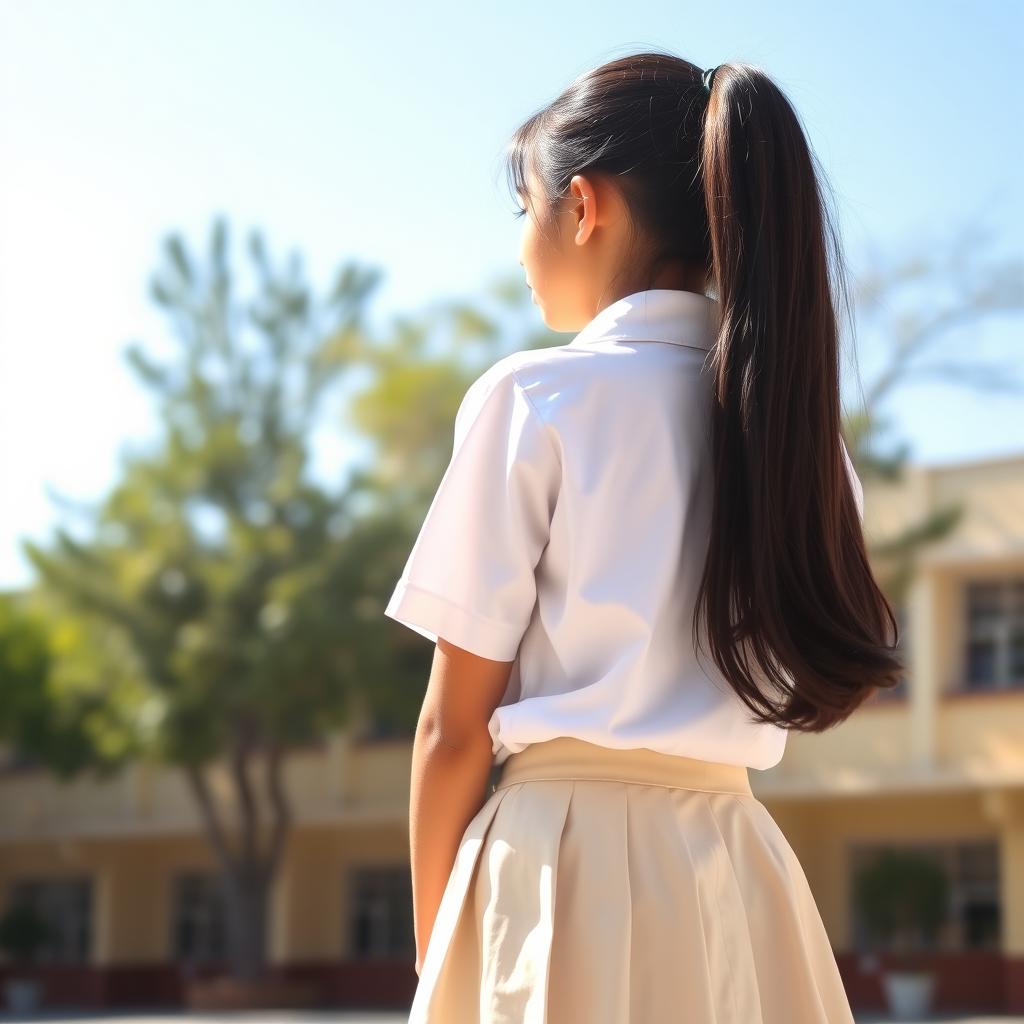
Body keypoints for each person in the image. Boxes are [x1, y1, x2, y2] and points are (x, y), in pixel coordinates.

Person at [384, 49, 903, 1024]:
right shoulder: (801, 442)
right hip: (736, 876)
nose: (524, 247)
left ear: (583, 206)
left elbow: (451, 733)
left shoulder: (532, 400)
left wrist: (436, 953)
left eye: (525, 211)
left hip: (552, 868)